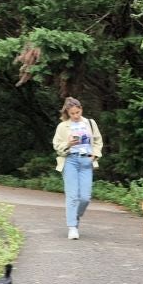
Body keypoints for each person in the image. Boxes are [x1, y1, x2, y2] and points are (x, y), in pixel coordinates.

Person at [52, 97, 103, 239]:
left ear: (81, 109)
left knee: (85, 198)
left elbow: (98, 141)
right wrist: (68, 144)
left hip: (86, 161)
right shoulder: (62, 127)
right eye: (72, 113)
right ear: (68, 112)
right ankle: (72, 227)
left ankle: (75, 216)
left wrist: (95, 154)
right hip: (70, 161)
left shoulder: (90, 123)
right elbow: (56, 146)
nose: (75, 115)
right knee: (72, 196)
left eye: (78, 112)